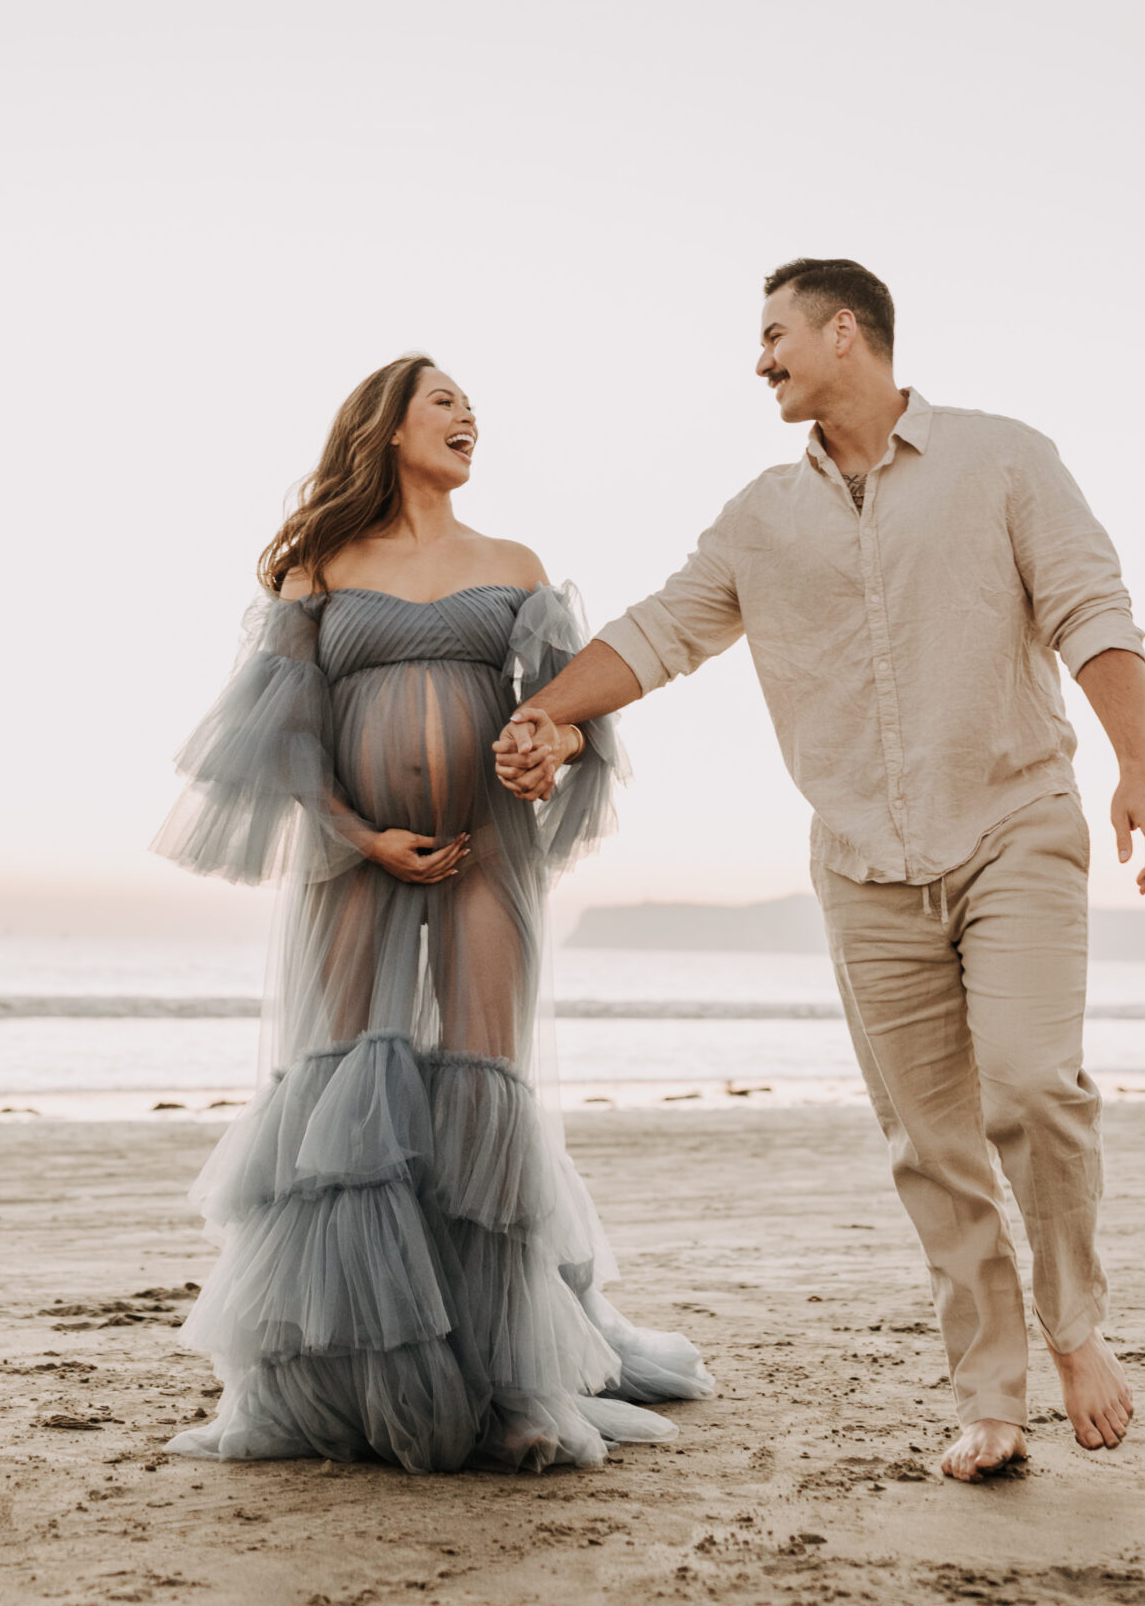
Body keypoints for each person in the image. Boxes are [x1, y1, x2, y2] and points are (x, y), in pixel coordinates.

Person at [493, 259, 1145, 1485]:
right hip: (863, 864)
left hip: (1014, 819)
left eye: (775, 334)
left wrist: (1141, 766)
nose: (760, 359)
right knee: (931, 1142)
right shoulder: (762, 516)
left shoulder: (1003, 456)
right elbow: (661, 630)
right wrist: (549, 710)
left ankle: (1074, 1326)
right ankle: (990, 1398)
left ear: (844, 330)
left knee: (1031, 1087)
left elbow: (1091, 605)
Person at [153, 353, 711, 1474]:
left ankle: (511, 1383)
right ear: (386, 425)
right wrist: (359, 832)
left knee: (482, 1088)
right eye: (443, 399)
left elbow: (562, 717)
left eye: (472, 405)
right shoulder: (322, 565)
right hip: (357, 851)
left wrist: (538, 754)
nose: (467, 415)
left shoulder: (514, 565)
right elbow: (288, 733)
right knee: (344, 1095)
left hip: (485, 847)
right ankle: (346, 1374)